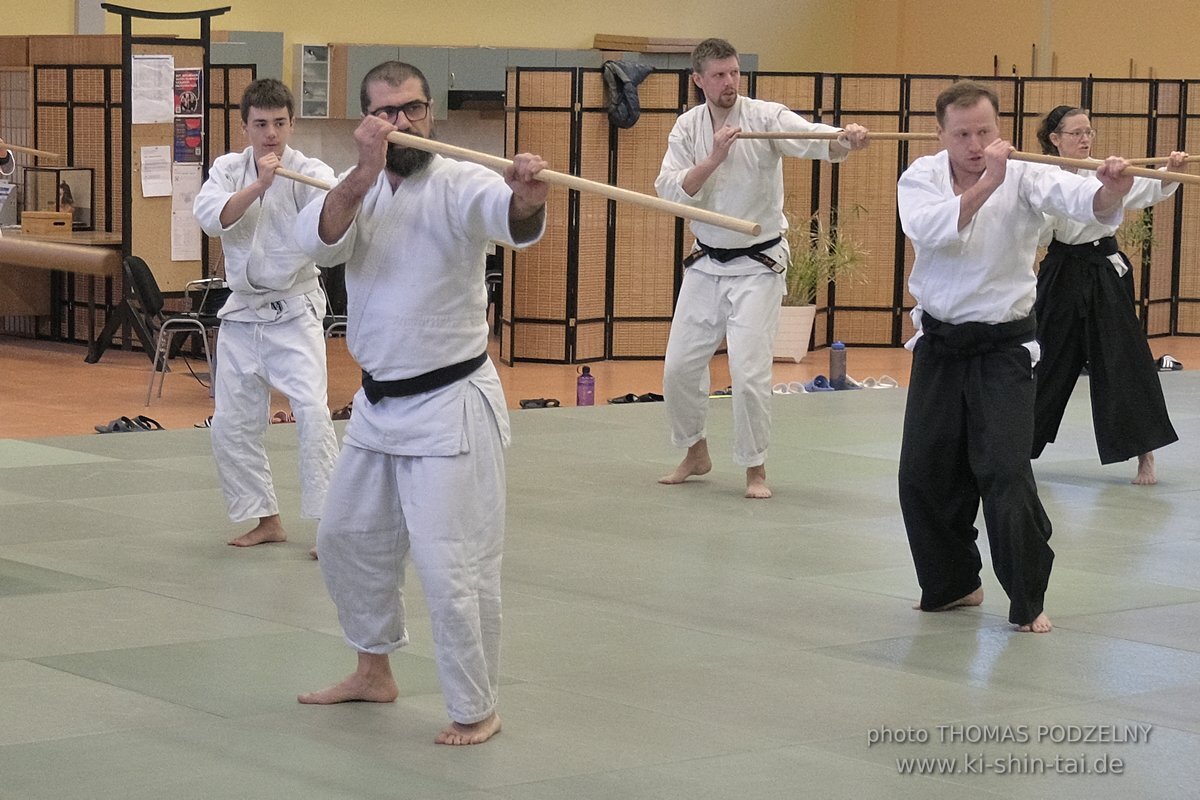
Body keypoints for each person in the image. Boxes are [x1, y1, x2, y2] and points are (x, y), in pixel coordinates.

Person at [293, 61, 548, 746]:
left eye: (412, 110)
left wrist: (524, 195)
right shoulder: (359, 186)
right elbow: (319, 240)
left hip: (450, 404)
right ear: (367, 121)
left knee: (451, 568)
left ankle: (476, 706)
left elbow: (510, 219)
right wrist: (362, 170)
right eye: (386, 113)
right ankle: (373, 670)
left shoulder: (461, 179)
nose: (402, 123)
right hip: (378, 406)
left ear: (429, 112)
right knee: (345, 539)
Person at [896, 81, 1134, 634]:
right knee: (921, 475)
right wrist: (987, 185)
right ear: (942, 135)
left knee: (1003, 472)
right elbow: (930, 231)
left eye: (985, 132)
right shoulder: (921, 177)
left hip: (1005, 349)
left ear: (998, 128)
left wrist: (1110, 190)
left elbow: (1085, 205)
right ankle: (955, 584)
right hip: (940, 346)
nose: (976, 144)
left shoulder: (1026, 173)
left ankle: (1027, 597)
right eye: (963, 135)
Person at [654, 37, 868, 499]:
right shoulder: (687, 129)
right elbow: (670, 191)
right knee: (678, 368)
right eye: (718, 75)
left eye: (733, 72)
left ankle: (755, 469)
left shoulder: (764, 117)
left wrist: (841, 138)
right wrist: (715, 157)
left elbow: (807, 135)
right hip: (706, 262)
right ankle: (695, 451)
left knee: (749, 374)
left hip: (757, 265)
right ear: (698, 80)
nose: (729, 82)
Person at [192, 78, 339, 553]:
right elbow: (212, 217)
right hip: (242, 313)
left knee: (314, 414)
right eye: (261, 124)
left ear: (291, 123)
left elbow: (332, 218)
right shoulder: (228, 170)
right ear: (245, 126)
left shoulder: (309, 171)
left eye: (279, 123)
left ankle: (332, 527)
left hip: (294, 310)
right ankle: (267, 520)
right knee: (232, 424)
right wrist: (260, 184)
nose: (271, 133)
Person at [1031, 105, 1181, 484]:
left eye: (1089, 132)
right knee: (1043, 361)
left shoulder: (1105, 169)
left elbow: (1143, 189)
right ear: (1055, 139)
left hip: (1104, 270)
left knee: (1123, 361)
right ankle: (1015, 449)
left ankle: (1144, 455)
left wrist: (1170, 172)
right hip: (1061, 270)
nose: (1085, 139)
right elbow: (1036, 227)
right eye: (1076, 133)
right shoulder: (1040, 174)